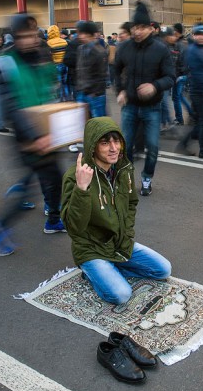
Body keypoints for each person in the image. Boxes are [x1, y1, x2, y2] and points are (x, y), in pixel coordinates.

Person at [0, 14, 65, 257]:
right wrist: (34, 137)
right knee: (32, 188)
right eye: (24, 36)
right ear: (15, 38)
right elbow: (9, 107)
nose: (30, 40)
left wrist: (63, 123)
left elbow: (51, 93)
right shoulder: (4, 63)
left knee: (55, 179)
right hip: (27, 138)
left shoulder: (41, 57)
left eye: (33, 35)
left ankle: (53, 220)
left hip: (48, 134)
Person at [61, 117, 172, 304]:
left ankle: (110, 269)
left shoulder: (123, 168)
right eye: (105, 143)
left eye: (116, 141)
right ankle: (92, 272)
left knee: (163, 269)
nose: (114, 148)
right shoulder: (76, 176)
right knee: (121, 294)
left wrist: (127, 234)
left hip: (119, 243)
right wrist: (82, 189)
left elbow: (131, 204)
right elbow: (74, 227)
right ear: (92, 146)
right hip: (92, 249)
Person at [114, 1, 175, 196]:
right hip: (130, 106)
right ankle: (127, 178)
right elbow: (115, 70)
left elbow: (170, 77)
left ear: (151, 28)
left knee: (153, 147)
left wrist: (154, 86)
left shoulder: (161, 49)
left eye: (142, 28)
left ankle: (147, 178)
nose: (137, 32)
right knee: (125, 146)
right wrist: (120, 91)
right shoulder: (124, 48)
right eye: (135, 27)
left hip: (152, 108)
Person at [176, 24, 203, 160]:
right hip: (200, 92)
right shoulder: (193, 51)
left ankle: (183, 144)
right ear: (194, 36)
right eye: (200, 34)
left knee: (199, 121)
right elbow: (197, 73)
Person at [75, 21, 108, 117]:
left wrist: (95, 93)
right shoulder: (80, 49)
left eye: (84, 33)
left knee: (99, 124)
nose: (81, 36)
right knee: (82, 122)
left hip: (95, 95)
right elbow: (79, 70)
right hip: (82, 92)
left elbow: (102, 74)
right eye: (80, 33)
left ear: (92, 35)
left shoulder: (100, 51)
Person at [47, 25, 70, 102]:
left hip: (56, 65)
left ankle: (60, 100)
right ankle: (67, 99)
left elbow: (50, 56)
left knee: (58, 84)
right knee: (65, 83)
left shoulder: (48, 43)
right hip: (65, 64)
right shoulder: (64, 41)